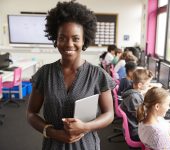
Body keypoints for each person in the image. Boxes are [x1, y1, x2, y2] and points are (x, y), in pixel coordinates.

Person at [26, 1, 116, 150]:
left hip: (86, 146)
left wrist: (86, 127)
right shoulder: (44, 74)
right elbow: (31, 113)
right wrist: (52, 132)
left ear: (84, 40)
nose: (68, 44)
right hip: (53, 145)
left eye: (75, 38)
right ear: (55, 39)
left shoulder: (98, 75)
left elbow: (109, 114)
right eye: (62, 37)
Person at [120, 68, 154, 141]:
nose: (149, 86)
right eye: (147, 84)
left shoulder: (134, 93)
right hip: (136, 131)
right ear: (139, 85)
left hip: (137, 127)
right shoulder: (133, 98)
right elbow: (142, 117)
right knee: (160, 134)